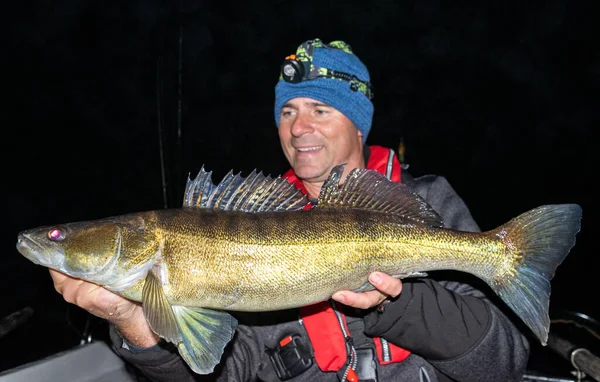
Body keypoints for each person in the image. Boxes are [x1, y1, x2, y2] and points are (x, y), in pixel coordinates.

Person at [50, 38, 530, 381]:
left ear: (359, 125)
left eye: (321, 110)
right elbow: (223, 373)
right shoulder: (253, 220)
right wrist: (132, 320)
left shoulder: (430, 201)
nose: (299, 127)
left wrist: (397, 301)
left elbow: (503, 363)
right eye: (287, 111)